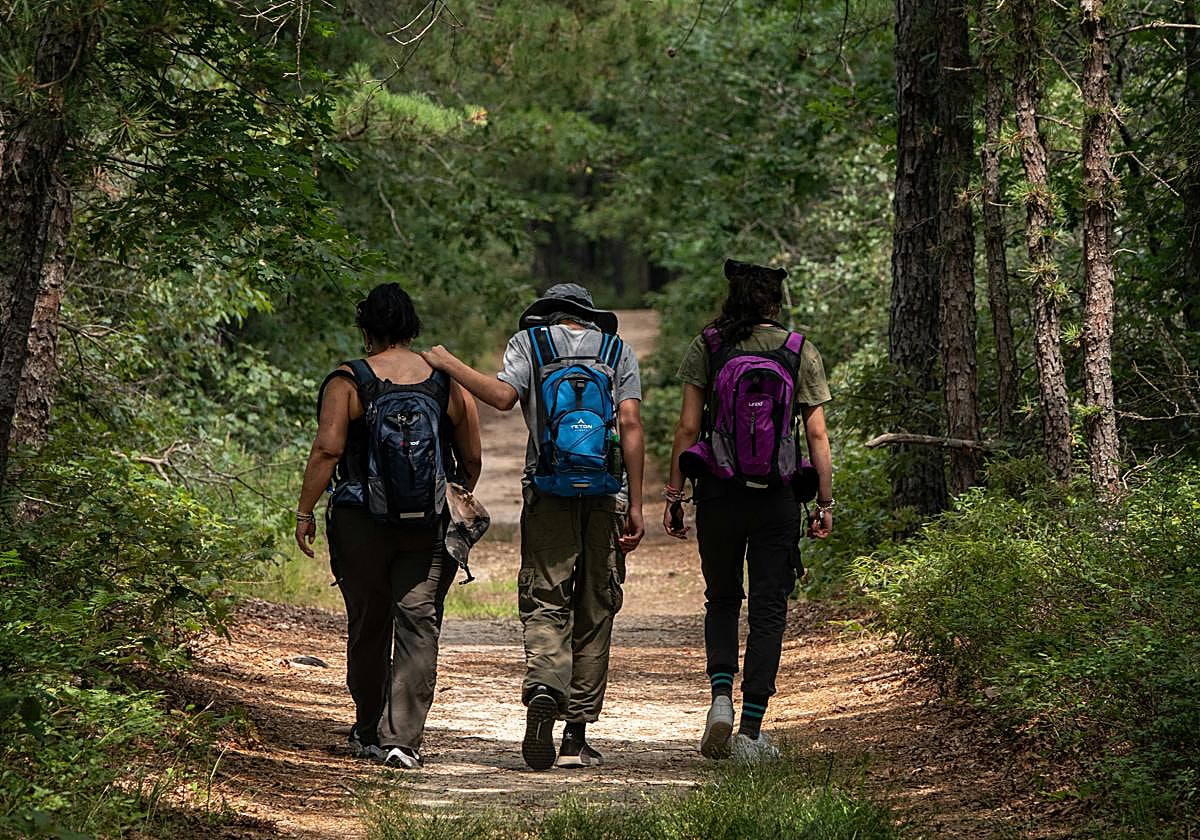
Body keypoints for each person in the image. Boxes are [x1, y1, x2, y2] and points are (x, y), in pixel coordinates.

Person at [421, 283, 645, 771]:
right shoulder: (617, 350)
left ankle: (545, 684)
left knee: (547, 597)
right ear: (589, 316)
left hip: (547, 489)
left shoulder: (531, 344)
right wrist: (637, 505)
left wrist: (448, 363)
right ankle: (575, 737)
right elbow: (630, 425)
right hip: (606, 492)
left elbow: (503, 398)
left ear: (546, 314)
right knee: (596, 603)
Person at [294, 283, 481, 769]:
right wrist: (446, 493)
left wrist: (304, 510)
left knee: (369, 621)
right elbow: (473, 456)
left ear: (366, 330)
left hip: (359, 522)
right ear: (412, 327)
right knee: (418, 624)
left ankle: (367, 728)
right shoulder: (445, 381)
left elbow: (328, 449)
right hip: (427, 525)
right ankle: (402, 740)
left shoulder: (348, 380)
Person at [663, 259, 834, 762]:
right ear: (774, 303)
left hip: (719, 493)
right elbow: (818, 435)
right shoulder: (799, 350)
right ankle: (752, 732)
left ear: (731, 298)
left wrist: (675, 496)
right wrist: (824, 503)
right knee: (768, 609)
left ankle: (720, 698)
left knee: (721, 598)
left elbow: (687, 429)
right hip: (777, 497)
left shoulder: (709, 346)